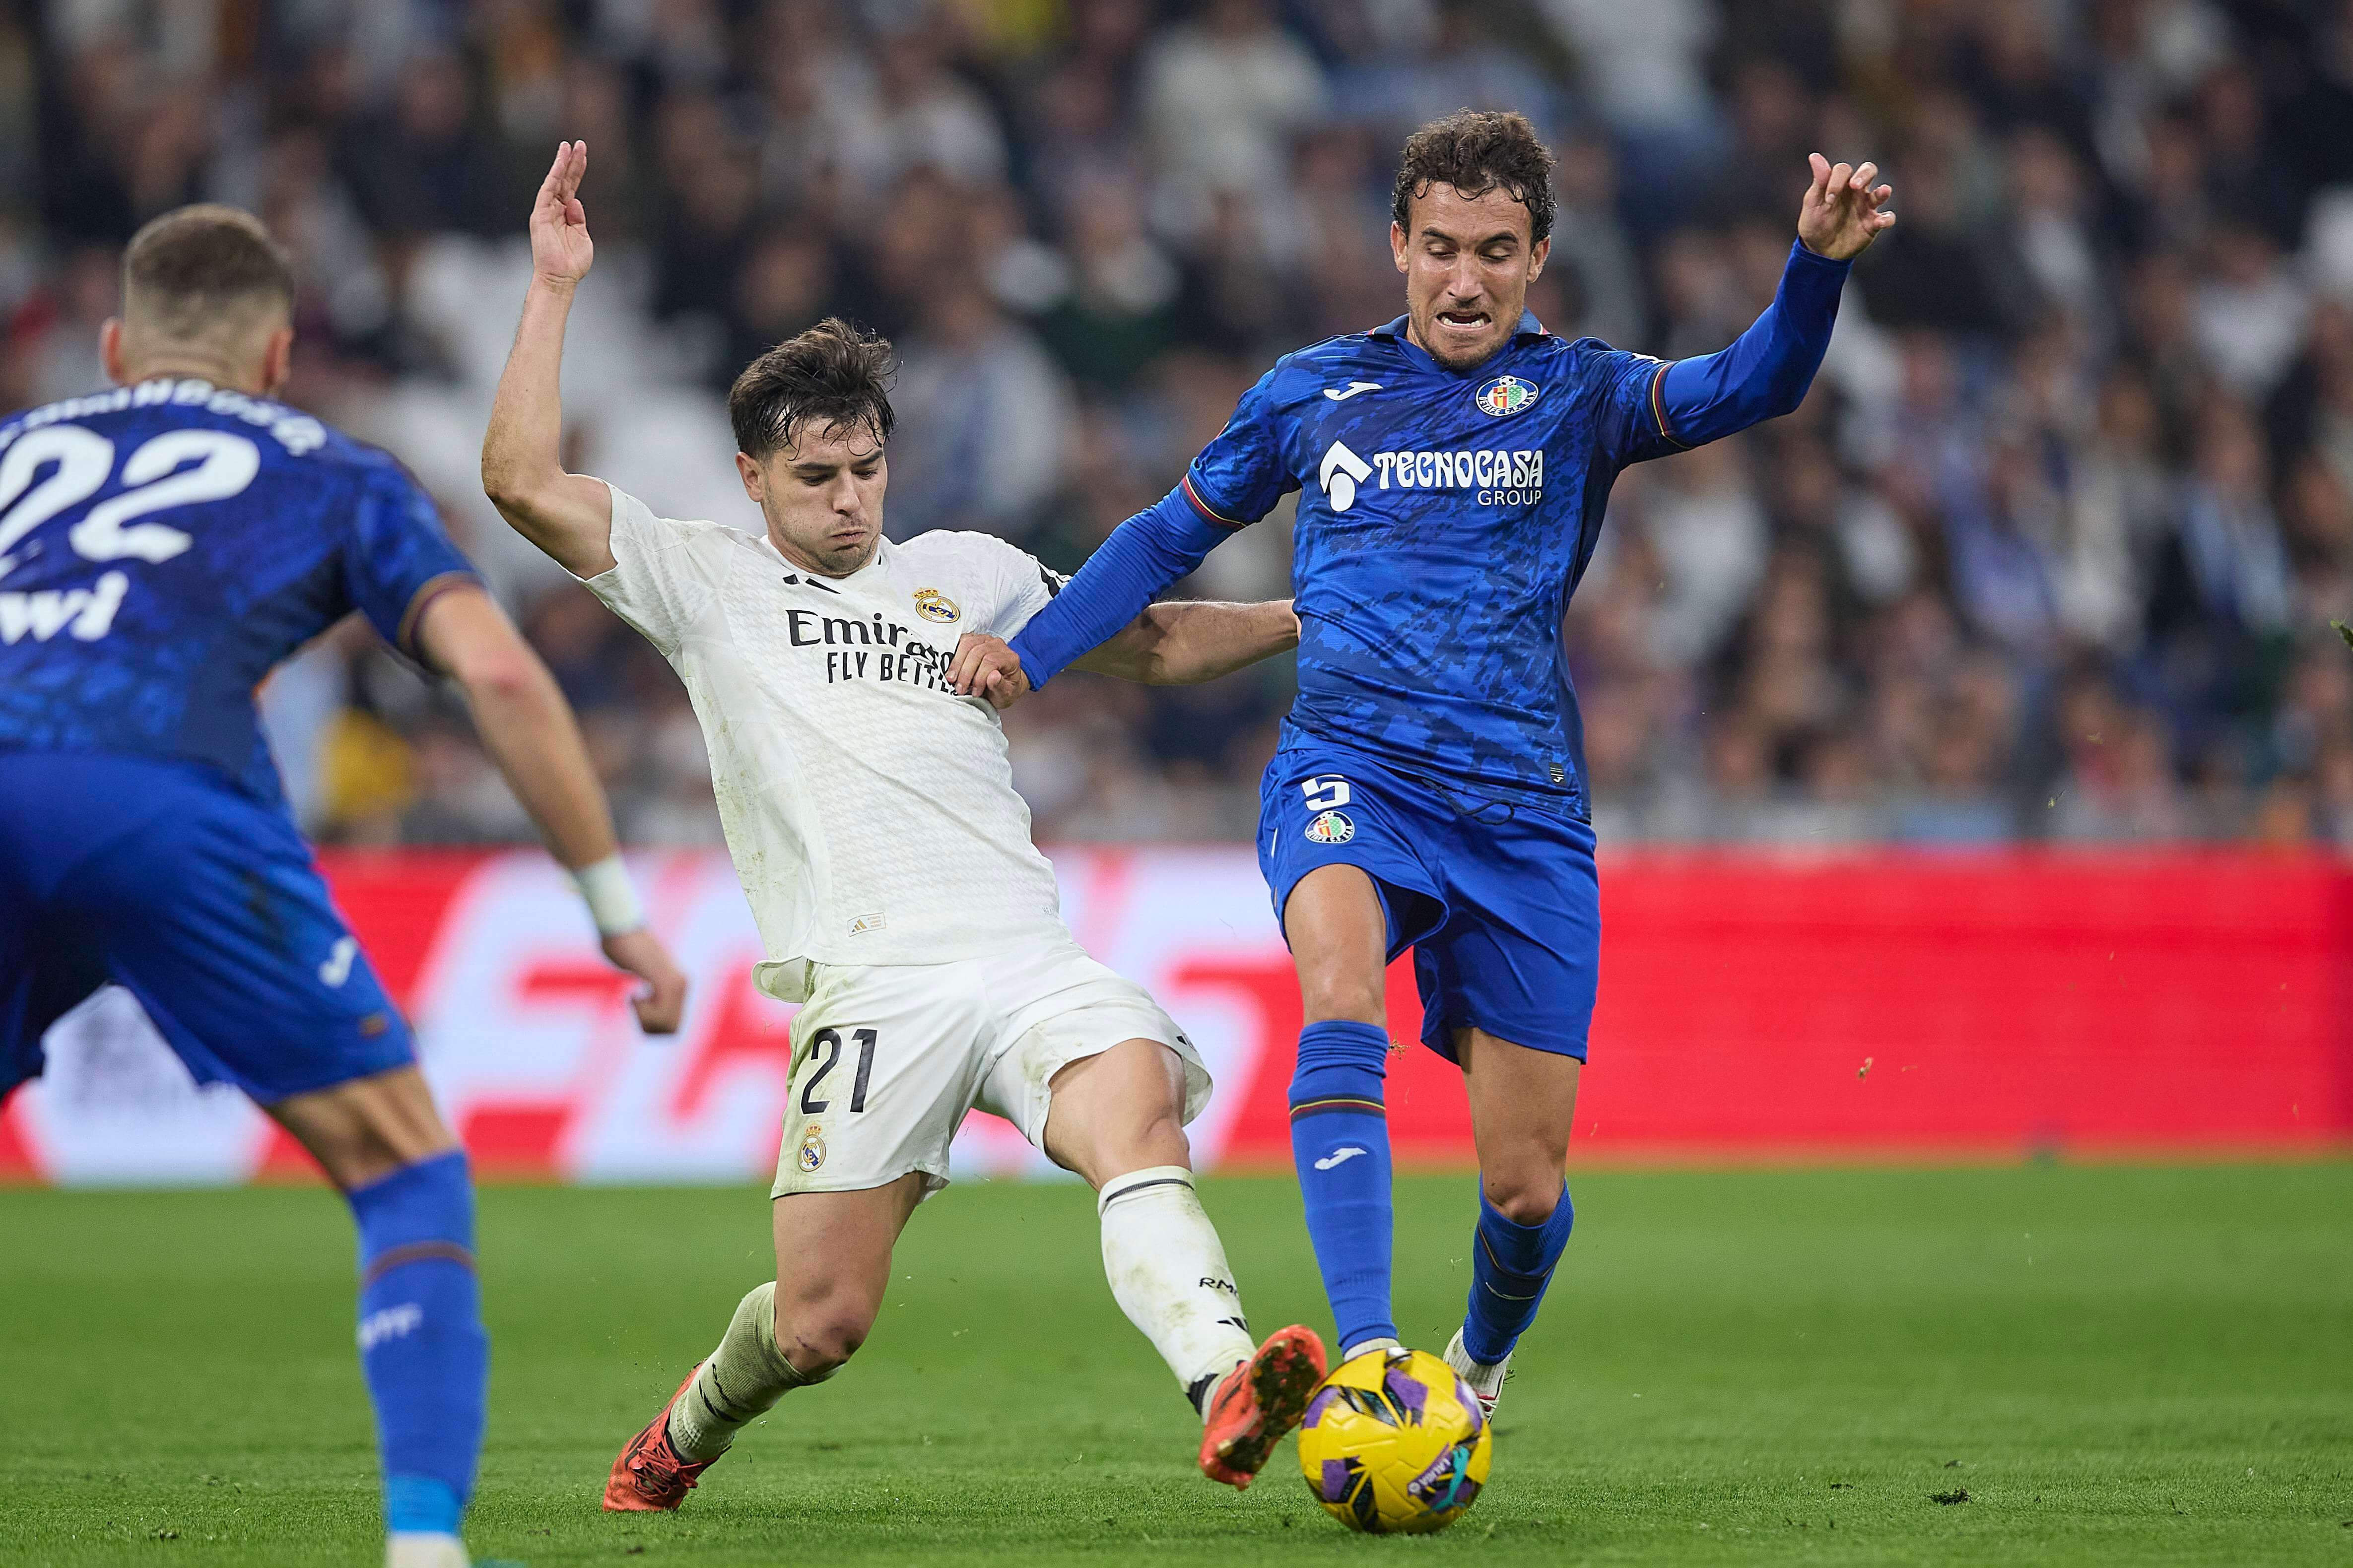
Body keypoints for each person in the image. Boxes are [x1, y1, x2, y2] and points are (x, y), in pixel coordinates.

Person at [954, 110, 1895, 1413]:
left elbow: (1756, 384)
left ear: (1538, 258)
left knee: (1525, 1187)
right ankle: (1365, 1357)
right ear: (1397, 246)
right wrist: (1039, 653)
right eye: (1442, 248)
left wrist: (1817, 267)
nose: (1466, 280)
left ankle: (1476, 1364)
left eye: (1496, 253)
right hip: (1350, 773)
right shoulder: (1309, 392)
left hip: (1523, 819)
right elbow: (1164, 538)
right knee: (1340, 995)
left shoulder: (1584, 395)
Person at [480, 143, 1324, 1512]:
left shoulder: (969, 572)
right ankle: (685, 1432)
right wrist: (554, 287)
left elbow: (1154, 639)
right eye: (816, 477)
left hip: (1023, 954)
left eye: (866, 468)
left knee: (1136, 1111)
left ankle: (1224, 1375)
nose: (850, 498)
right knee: (820, 1323)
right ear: (752, 479)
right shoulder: (702, 580)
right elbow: (518, 481)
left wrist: (1304, 617)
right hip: (872, 985)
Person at [0, 205, 688, 1568]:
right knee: (406, 1171)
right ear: (275, 357)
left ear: (117, 347)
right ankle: (423, 1547)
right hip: (160, 800)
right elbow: (496, 672)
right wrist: (618, 913)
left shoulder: (14, 452)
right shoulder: (328, 467)